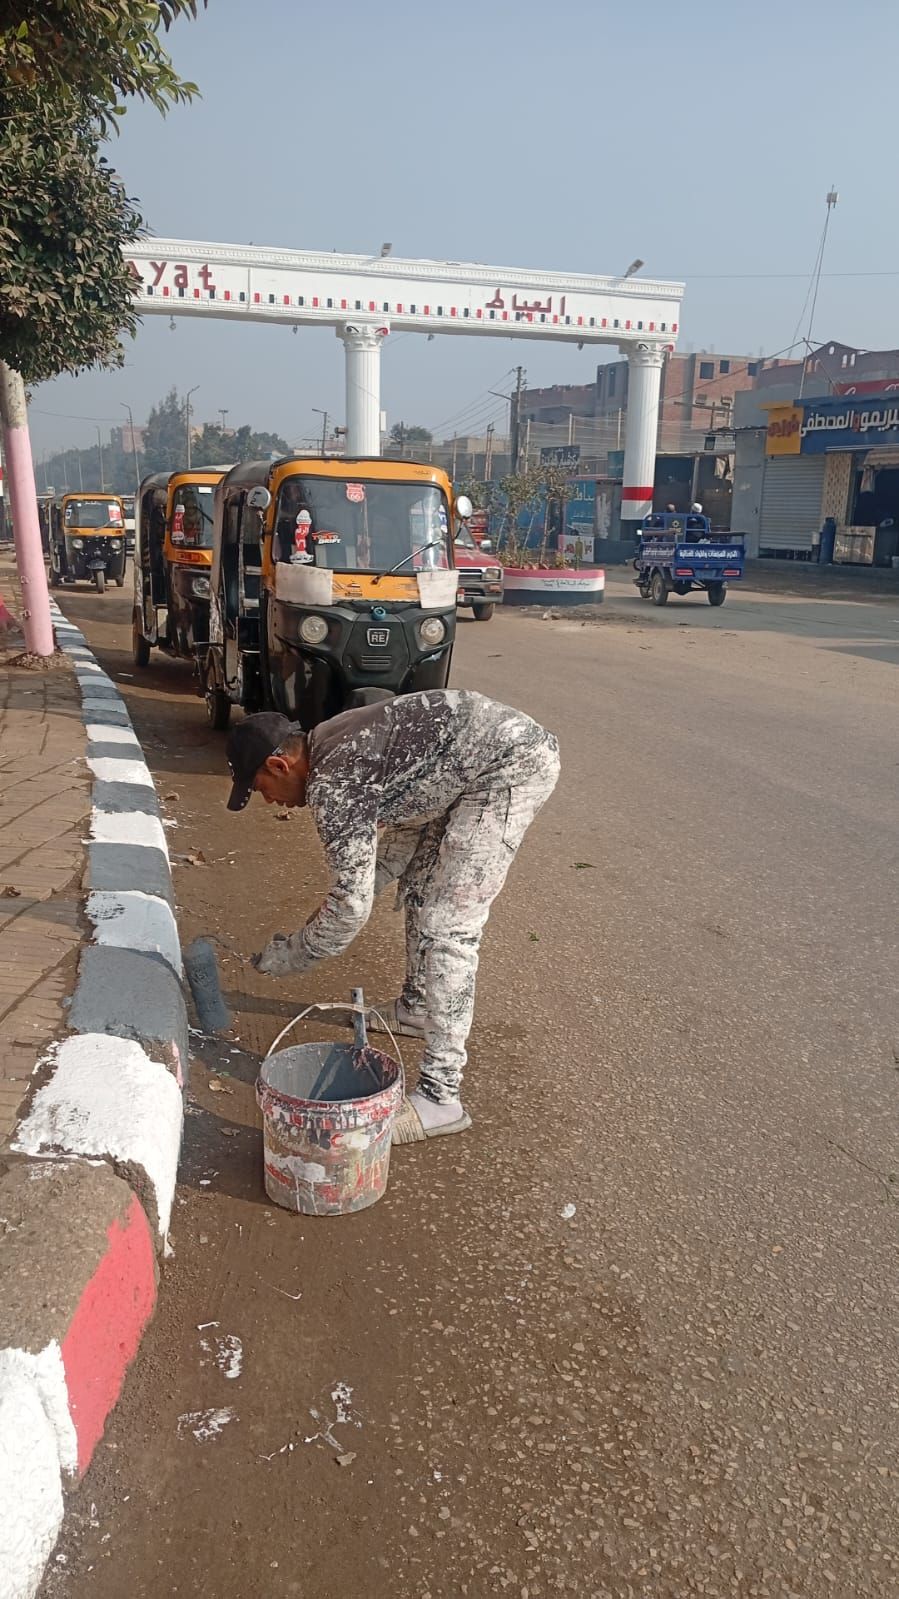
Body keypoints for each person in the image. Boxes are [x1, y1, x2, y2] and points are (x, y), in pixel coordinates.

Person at [225, 690, 560, 1144]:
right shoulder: (330, 743)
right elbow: (396, 843)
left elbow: (350, 910)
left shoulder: (334, 782)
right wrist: (344, 898)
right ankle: (417, 1010)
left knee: (448, 927)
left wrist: (292, 956)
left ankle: (441, 1097)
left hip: (508, 765)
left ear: (279, 766)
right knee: (419, 890)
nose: (269, 801)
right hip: (464, 767)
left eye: (260, 788)